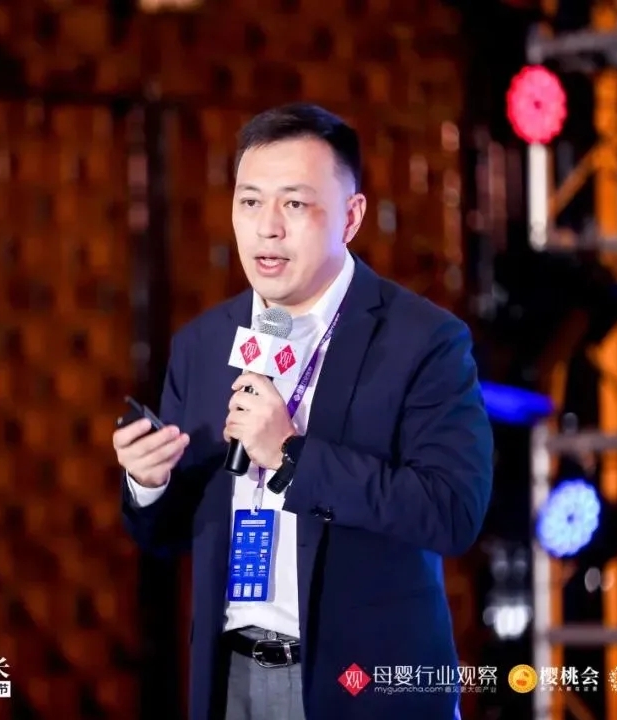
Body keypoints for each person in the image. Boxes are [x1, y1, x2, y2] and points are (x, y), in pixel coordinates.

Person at [114, 103, 493, 720]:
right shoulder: (202, 345)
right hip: (232, 677)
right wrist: (148, 483)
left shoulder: (423, 341)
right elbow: (170, 534)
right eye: (249, 201)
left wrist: (292, 457)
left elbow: (451, 512)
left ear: (351, 216)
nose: (267, 228)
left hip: (363, 688)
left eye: (294, 203)